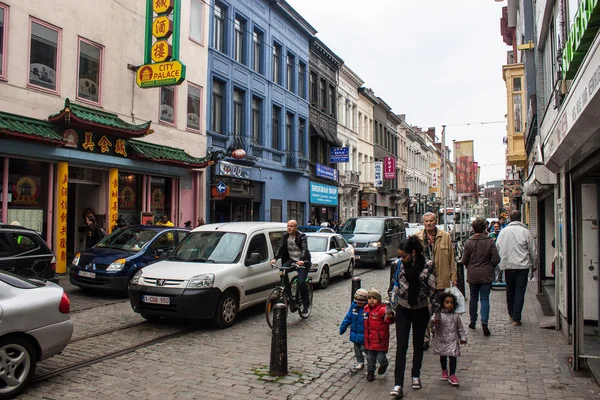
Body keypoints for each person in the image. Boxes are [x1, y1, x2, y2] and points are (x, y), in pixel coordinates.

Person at [387, 236, 441, 397]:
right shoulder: (397, 266)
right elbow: (392, 287)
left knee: (418, 345)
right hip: (403, 309)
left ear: (414, 253)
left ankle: (415, 375)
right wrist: (388, 307)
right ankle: (398, 384)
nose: (401, 259)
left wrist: (437, 313)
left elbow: (433, 291)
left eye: (404, 256)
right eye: (400, 256)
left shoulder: (427, 266)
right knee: (401, 346)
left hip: (421, 309)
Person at [416, 212, 457, 349]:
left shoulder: (445, 237)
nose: (429, 223)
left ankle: (438, 333)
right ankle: (425, 338)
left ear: (436, 221)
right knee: (425, 309)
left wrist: (454, 276)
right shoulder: (417, 238)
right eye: (426, 221)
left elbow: (451, 258)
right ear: (423, 223)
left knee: (438, 308)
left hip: (440, 279)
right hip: (424, 280)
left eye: (431, 221)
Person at [496, 210, 537, 326]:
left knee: (510, 290)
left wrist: (501, 263)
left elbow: (498, 248)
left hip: (508, 266)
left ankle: (511, 313)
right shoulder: (525, 232)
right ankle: (516, 317)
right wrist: (534, 265)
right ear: (520, 218)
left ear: (510, 218)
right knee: (519, 291)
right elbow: (533, 251)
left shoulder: (503, 232)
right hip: (522, 266)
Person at [461, 218, 500, 336]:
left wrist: (469, 265)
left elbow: (464, 260)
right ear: (485, 228)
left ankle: (473, 321)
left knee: (473, 298)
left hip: (473, 274)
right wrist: (490, 265)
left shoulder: (468, 242)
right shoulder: (489, 241)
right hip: (486, 274)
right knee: (484, 298)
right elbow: (497, 259)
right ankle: (484, 323)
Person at [271, 220, 312, 314]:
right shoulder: (285, 236)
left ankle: (306, 304)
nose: (289, 228)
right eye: (288, 226)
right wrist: (275, 258)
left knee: (301, 282)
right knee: (282, 270)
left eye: (292, 226)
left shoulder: (301, 236)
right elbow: (280, 247)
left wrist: (302, 260)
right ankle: (290, 296)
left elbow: (304, 249)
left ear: (296, 227)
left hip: (303, 262)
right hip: (292, 260)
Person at [431, 291, 467, 386]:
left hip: (453, 341)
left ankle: (452, 374)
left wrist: (462, 337)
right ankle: (444, 370)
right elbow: (432, 325)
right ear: (442, 303)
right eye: (447, 302)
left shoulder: (456, 316)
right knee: (443, 356)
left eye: (451, 303)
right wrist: (435, 322)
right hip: (441, 340)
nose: (449, 304)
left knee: (453, 357)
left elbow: (460, 328)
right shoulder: (438, 315)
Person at [363, 288, 394, 382]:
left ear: (379, 300)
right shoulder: (366, 309)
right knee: (370, 358)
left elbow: (388, 320)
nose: (371, 300)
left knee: (381, 357)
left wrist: (390, 316)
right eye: (369, 298)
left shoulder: (382, 310)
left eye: (374, 298)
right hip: (370, 339)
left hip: (380, 340)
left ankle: (384, 364)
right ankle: (370, 372)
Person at [340, 288, 368, 372]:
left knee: (364, 348)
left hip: (364, 335)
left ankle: (371, 360)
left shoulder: (367, 309)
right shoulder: (354, 307)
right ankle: (360, 362)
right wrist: (343, 327)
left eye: (361, 303)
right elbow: (348, 317)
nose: (359, 304)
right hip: (355, 333)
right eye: (357, 302)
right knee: (357, 349)